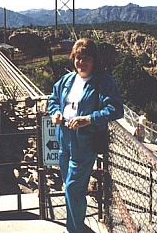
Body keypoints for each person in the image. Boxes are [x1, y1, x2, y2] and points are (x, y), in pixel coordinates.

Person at [47, 38, 124, 233]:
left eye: (86, 58)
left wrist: (89, 118)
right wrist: (55, 112)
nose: (81, 62)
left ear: (95, 60)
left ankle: (74, 229)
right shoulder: (67, 80)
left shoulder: (104, 82)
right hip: (63, 138)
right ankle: (76, 225)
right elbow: (53, 99)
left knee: (72, 188)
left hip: (85, 141)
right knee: (72, 188)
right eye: (78, 58)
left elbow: (115, 109)